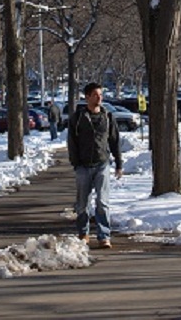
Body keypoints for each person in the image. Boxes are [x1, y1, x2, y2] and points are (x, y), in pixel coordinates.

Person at [67, 82, 122, 249]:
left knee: (102, 202)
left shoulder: (108, 117)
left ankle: (104, 235)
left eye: (101, 95)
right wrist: (76, 163)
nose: (99, 98)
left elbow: (114, 141)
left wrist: (119, 163)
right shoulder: (78, 118)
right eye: (96, 95)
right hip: (83, 166)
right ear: (87, 97)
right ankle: (83, 233)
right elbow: (72, 142)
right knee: (82, 203)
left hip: (102, 164)